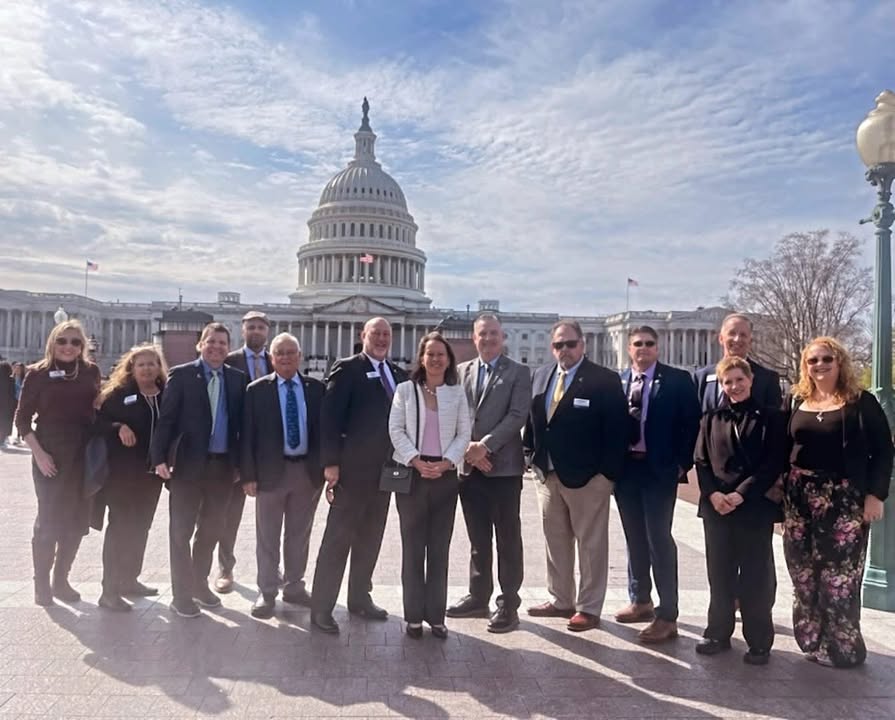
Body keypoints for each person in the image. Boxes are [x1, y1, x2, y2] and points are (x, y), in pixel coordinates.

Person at [782, 337, 892, 668]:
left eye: (827, 359)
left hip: (843, 499)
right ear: (805, 366)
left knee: (838, 577)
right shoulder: (797, 399)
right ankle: (813, 641)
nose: (820, 365)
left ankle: (843, 648)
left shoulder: (860, 402)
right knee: (803, 573)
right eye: (813, 360)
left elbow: (884, 450)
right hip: (799, 498)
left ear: (839, 362)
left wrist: (876, 495)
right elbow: (783, 447)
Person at [523, 320, 629, 632]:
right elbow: (534, 419)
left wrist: (606, 475)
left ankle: (589, 607)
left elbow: (618, 430)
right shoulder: (542, 375)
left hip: (588, 478)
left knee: (591, 544)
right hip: (548, 473)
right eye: (559, 345)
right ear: (552, 347)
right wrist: (530, 455)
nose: (565, 350)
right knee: (555, 541)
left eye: (570, 344)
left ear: (583, 344)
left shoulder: (604, 379)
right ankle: (561, 599)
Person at [310, 317, 408, 634]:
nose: (381, 339)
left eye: (386, 334)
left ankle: (359, 598)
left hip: (387, 472)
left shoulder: (398, 374)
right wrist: (330, 463)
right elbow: (329, 417)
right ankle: (321, 608)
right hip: (352, 472)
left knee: (371, 538)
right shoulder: (347, 368)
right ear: (362, 335)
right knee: (337, 540)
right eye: (375, 333)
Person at [151, 322, 247, 618]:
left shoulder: (237, 379)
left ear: (229, 348)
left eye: (222, 343)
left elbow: (242, 426)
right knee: (180, 532)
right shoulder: (181, 375)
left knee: (211, 530)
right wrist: (158, 458)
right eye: (211, 341)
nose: (217, 347)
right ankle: (181, 595)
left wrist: (242, 465)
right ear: (200, 345)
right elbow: (166, 420)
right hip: (187, 466)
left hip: (222, 467)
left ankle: (198, 583)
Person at [694, 356, 784, 665]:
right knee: (719, 574)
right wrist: (713, 494)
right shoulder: (710, 418)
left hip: (753, 506)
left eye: (739, 380)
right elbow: (701, 461)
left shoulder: (771, 418)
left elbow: (773, 462)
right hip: (717, 507)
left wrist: (741, 494)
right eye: (728, 381)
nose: (734, 386)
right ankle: (717, 632)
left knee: (755, 577)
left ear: (750, 380)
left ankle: (759, 640)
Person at [614, 326, 701, 643]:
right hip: (626, 470)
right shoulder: (619, 381)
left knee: (659, 539)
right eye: (638, 344)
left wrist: (681, 464)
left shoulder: (677, 380)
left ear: (658, 347)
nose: (644, 348)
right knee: (634, 537)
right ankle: (640, 599)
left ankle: (668, 614)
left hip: (659, 472)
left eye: (649, 343)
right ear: (629, 348)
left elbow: (692, 424)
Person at [446, 314, 531, 633]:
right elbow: (454, 414)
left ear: (502, 336)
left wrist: (485, 446)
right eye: (483, 334)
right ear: (474, 337)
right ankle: (478, 596)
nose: (489, 339)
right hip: (470, 468)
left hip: (503, 468)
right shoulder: (461, 371)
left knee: (508, 539)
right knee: (478, 538)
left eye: (494, 333)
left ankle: (508, 603)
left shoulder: (518, 372)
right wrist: (470, 450)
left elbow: (517, 415)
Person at [389, 333, 471, 639]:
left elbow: (464, 433)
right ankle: (413, 616)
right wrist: (414, 459)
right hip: (412, 474)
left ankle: (436, 615)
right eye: (430, 354)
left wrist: (448, 462)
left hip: (444, 476)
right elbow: (395, 429)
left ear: (449, 360)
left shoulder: (456, 393)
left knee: (439, 549)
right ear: (421, 359)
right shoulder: (405, 390)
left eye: (441, 354)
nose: (436, 359)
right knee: (412, 548)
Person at [14, 320, 101, 606]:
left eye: (75, 342)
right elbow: (22, 420)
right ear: (52, 342)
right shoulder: (37, 374)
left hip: (83, 452)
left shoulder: (90, 371)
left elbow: (96, 409)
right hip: (50, 451)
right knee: (49, 519)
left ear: (82, 346)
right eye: (62, 341)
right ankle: (41, 582)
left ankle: (61, 579)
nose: (68, 347)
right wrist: (39, 454)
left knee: (77, 519)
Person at [241, 333, 324, 619]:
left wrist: (326, 468)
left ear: (300, 356)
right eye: (280, 353)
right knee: (267, 535)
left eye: (291, 352)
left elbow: (324, 432)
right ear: (272, 358)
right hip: (269, 473)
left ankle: (294, 586)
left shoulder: (316, 389)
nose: (286, 357)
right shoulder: (256, 390)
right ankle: (266, 591)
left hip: (306, 472)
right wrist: (248, 475)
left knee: (299, 534)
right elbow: (247, 436)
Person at [94, 344, 168, 611]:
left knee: (141, 528)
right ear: (131, 369)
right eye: (141, 365)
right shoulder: (119, 394)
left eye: (151, 364)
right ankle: (109, 590)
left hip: (152, 477)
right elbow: (97, 423)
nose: (147, 369)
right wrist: (119, 426)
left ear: (159, 367)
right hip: (122, 476)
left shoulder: (167, 394)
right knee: (120, 529)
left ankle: (129, 579)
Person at [217, 310, 274, 594]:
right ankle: (225, 567)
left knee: (272, 516)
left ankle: (272, 568)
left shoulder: (278, 360)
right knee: (230, 514)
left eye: (260, 327)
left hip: (271, 452)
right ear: (243, 330)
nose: (256, 331)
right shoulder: (229, 361)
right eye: (251, 327)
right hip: (237, 449)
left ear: (267, 331)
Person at [694, 313, 782, 412]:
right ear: (721, 339)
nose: (737, 339)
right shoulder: (701, 377)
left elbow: (774, 418)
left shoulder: (767, 379)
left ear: (750, 341)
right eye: (732, 333)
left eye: (743, 335)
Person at [0, 361, 15, 449]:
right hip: (7, 405)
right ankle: (2, 440)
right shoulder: (11, 380)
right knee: (5, 422)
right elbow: (12, 394)